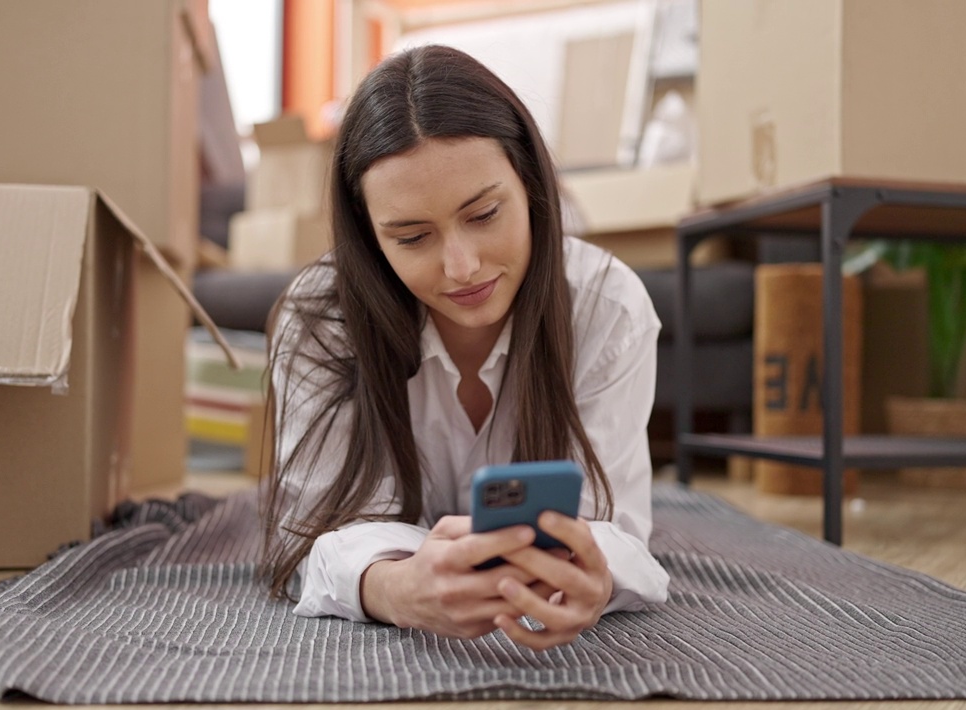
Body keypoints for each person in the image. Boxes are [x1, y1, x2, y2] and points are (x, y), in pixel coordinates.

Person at [260, 44, 668, 651]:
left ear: (530, 186)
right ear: (370, 240)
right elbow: (314, 531)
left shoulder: (608, 310)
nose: (462, 267)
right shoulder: (320, 320)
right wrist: (394, 588)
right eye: (412, 236)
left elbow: (614, 531)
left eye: (483, 214)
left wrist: (591, 576)